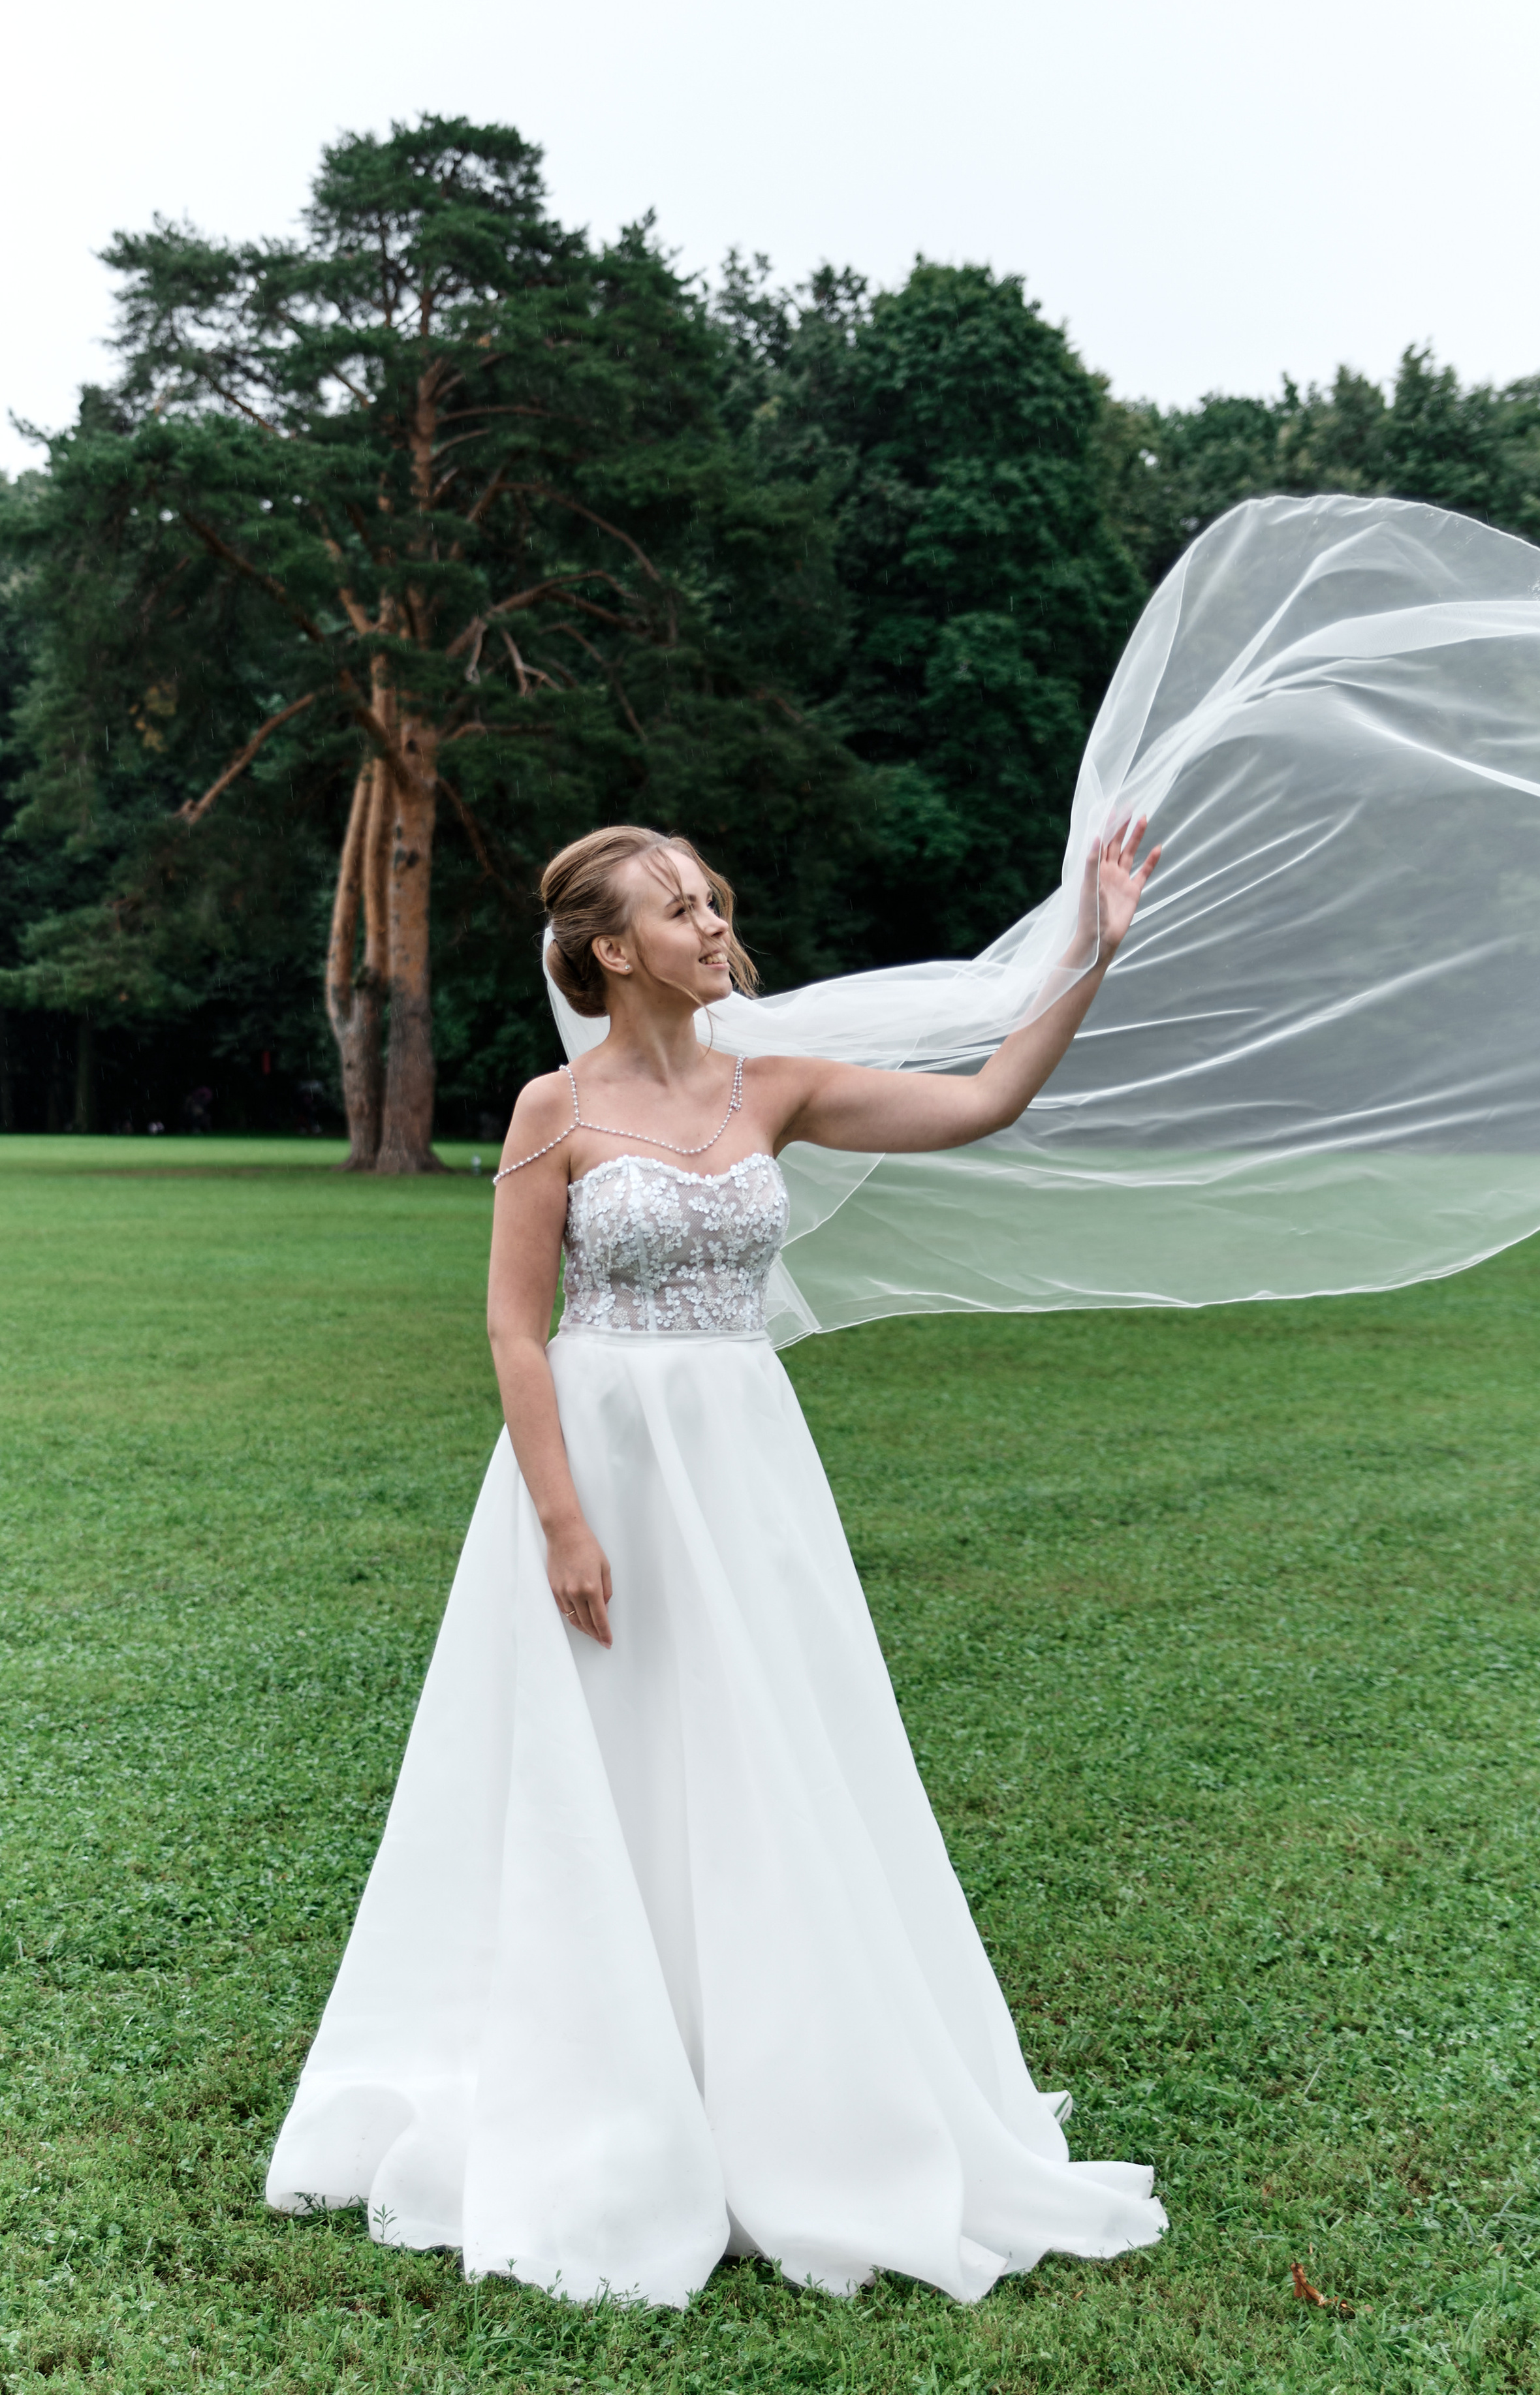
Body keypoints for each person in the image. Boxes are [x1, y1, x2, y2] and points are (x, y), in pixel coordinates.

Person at [266, 817, 1165, 2304]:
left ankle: (785, 2092)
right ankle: (614, 2090)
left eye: (711, 902)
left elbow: (985, 1100)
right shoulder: (553, 1108)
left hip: (743, 1471)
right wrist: (562, 1521)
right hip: (601, 1467)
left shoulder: (778, 1086)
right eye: (678, 909)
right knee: (610, 1761)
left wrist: (1090, 949)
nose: (711, 925)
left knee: (762, 1754)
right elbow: (513, 1328)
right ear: (612, 951)